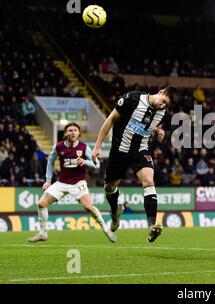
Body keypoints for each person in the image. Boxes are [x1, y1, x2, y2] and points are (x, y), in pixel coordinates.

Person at [91, 86, 177, 243]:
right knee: (109, 187)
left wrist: (159, 130)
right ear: (160, 93)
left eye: (166, 105)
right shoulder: (132, 98)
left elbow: (155, 124)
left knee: (149, 181)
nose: (163, 106)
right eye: (163, 101)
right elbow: (110, 119)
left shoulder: (163, 113)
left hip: (140, 151)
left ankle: (152, 226)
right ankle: (115, 214)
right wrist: (97, 146)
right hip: (120, 150)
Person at [28, 122, 116, 243]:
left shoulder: (84, 147)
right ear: (65, 133)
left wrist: (86, 162)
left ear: (79, 133)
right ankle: (43, 233)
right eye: (70, 130)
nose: (73, 132)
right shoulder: (58, 147)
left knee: (88, 207)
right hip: (62, 182)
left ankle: (106, 230)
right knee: (41, 204)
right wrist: (48, 181)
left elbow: (97, 164)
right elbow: (50, 162)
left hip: (78, 182)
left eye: (75, 130)